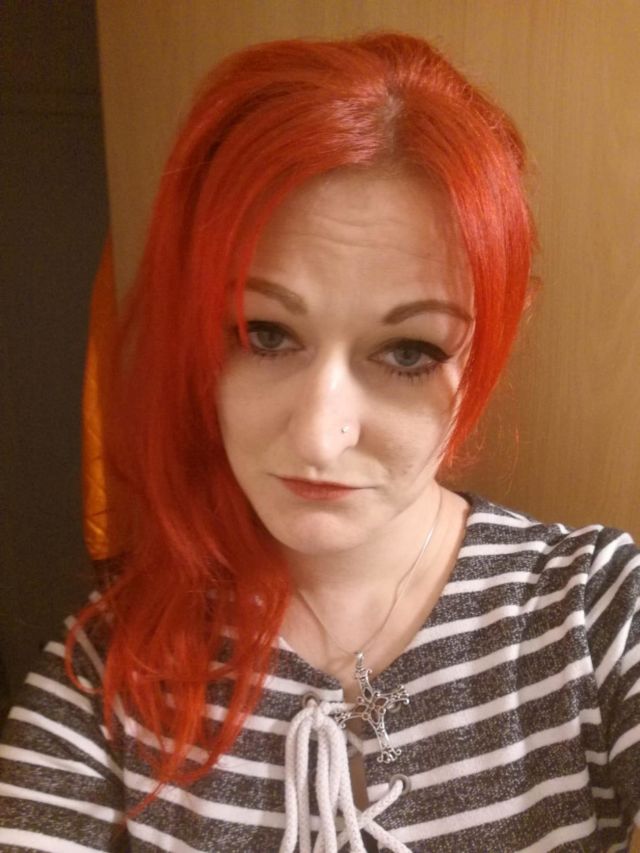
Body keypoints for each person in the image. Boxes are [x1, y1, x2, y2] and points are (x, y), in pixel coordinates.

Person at [1, 31, 639, 853]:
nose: (318, 432)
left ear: (495, 339)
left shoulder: (593, 616)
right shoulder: (108, 674)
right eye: (263, 333)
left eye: (407, 352)